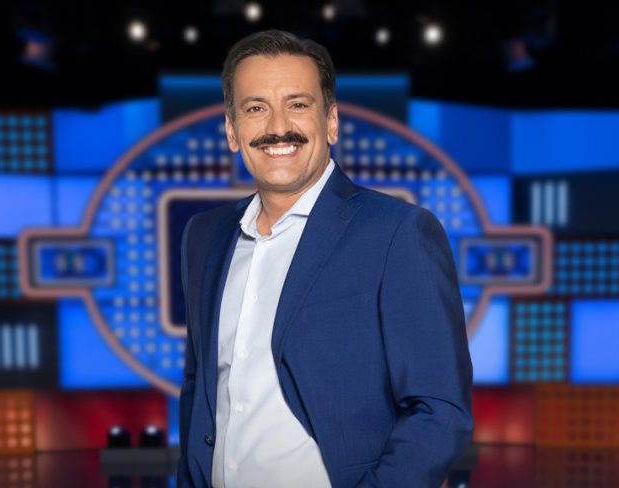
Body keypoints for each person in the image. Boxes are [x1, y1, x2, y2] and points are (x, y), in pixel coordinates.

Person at [178, 29, 473, 488]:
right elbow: (199, 388)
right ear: (232, 131)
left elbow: (439, 411)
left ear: (331, 121)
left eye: (297, 104)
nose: (278, 126)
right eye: (255, 108)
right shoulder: (204, 236)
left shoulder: (397, 233)